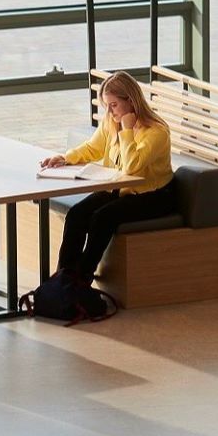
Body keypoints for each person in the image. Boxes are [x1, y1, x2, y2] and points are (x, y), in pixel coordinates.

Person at [38, 71, 177, 280]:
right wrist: (66, 158)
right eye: (107, 106)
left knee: (102, 218)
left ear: (130, 100)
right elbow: (93, 147)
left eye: (113, 105)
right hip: (120, 188)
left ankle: (81, 279)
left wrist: (127, 129)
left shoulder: (156, 132)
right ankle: (63, 278)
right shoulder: (111, 122)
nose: (110, 112)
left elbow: (132, 167)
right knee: (76, 214)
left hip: (154, 196)